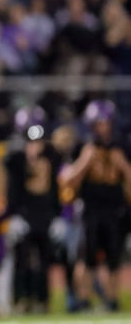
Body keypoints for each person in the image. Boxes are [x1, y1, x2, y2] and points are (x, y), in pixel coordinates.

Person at [59, 99, 131, 312]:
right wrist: (84, 162)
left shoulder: (123, 147)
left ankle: (112, 300)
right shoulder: (83, 147)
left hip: (116, 211)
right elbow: (66, 181)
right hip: (89, 210)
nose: (101, 128)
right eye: (97, 123)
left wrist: (124, 167)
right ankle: (83, 300)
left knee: (114, 259)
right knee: (86, 258)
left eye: (104, 123)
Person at [3, 106, 62, 314]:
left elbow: (55, 188)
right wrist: (13, 216)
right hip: (24, 214)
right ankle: (20, 300)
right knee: (22, 259)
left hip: (45, 214)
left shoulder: (53, 155)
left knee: (44, 260)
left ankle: (42, 301)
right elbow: (13, 190)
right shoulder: (15, 158)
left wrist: (58, 215)